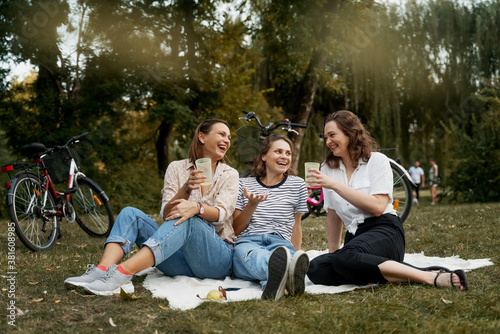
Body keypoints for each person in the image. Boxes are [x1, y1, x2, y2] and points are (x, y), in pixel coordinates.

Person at [64, 119, 239, 295]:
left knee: (188, 217)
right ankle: (102, 270)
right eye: (222, 134)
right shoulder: (177, 168)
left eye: (229, 137)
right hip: (178, 259)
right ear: (202, 136)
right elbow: (166, 214)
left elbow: (221, 214)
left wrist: (196, 208)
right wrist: (186, 188)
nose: (227, 140)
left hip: (215, 260)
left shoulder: (230, 174)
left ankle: (121, 274)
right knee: (130, 213)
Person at [306, 110, 468, 291]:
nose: (328, 142)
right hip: (355, 238)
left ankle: (428, 276)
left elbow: (377, 207)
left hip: (384, 230)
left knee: (346, 258)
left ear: (350, 133)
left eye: (332, 135)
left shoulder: (377, 161)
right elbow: (333, 215)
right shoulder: (328, 168)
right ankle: (383, 273)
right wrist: (333, 254)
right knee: (316, 268)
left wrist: (335, 185)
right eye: (325, 137)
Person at [232, 134, 309, 301]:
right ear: (264, 156)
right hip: (248, 243)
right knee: (251, 256)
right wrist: (251, 205)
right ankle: (288, 275)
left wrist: (295, 254)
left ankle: (277, 278)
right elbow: (236, 229)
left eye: (288, 153)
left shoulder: (298, 185)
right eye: (278, 151)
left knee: (280, 257)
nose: (284, 156)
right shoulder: (243, 184)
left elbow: (297, 226)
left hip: (280, 244)